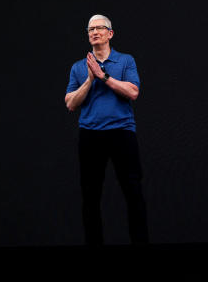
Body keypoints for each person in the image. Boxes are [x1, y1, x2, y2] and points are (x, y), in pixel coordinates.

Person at [64, 14, 149, 245]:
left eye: (99, 28)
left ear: (110, 33)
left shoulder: (126, 61)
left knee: (133, 192)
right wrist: (90, 79)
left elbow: (133, 92)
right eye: (90, 29)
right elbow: (70, 103)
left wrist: (104, 76)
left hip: (122, 132)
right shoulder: (79, 67)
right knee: (90, 196)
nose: (94, 32)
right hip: (90, 135)